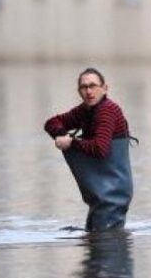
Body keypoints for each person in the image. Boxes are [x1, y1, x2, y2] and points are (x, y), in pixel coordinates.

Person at [44, 68, 136, 231]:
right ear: (79, 91)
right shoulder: (85, 111)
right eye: (84, 87)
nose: (89, 91)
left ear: (105, 88)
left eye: (93, 86)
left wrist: (71, 142)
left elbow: (100, 148)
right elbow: (51, 123)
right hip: (101, 193)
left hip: (113, 192)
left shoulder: (108, 110)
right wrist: (62, 135)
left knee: (104, 239)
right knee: (95, 234)